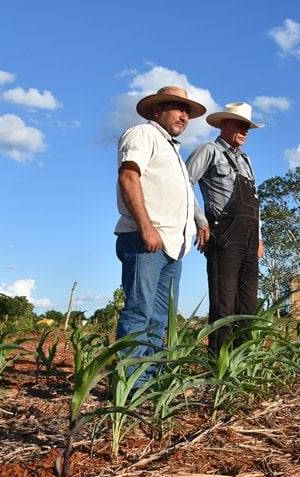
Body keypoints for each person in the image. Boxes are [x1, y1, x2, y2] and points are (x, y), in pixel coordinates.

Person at [114, 86, 206, 363]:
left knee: (159, 318)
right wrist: (146, 227)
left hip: (171, 247)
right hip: (146, 240)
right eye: (178, 109)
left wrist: (198, 222)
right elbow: (128, 177)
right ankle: (128, 383)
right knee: (139, 311)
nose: (184, 117)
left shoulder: (173, 150)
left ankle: (149, 378)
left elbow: (184, 194)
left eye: (187, 112)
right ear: (157, 110)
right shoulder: (143, 134)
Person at [186, 102, 265, 355]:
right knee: (223, 303)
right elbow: (184, 183)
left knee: (248, 304)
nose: (245, 131)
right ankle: (217, 363)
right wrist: (201, 221)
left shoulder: (246, 159)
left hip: (250, 238)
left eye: (247, 127)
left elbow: (255, 201)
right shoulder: (208, 151)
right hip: (225, 234)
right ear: (224, 124)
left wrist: (259, 238)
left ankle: (242, 362)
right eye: (240, 125)